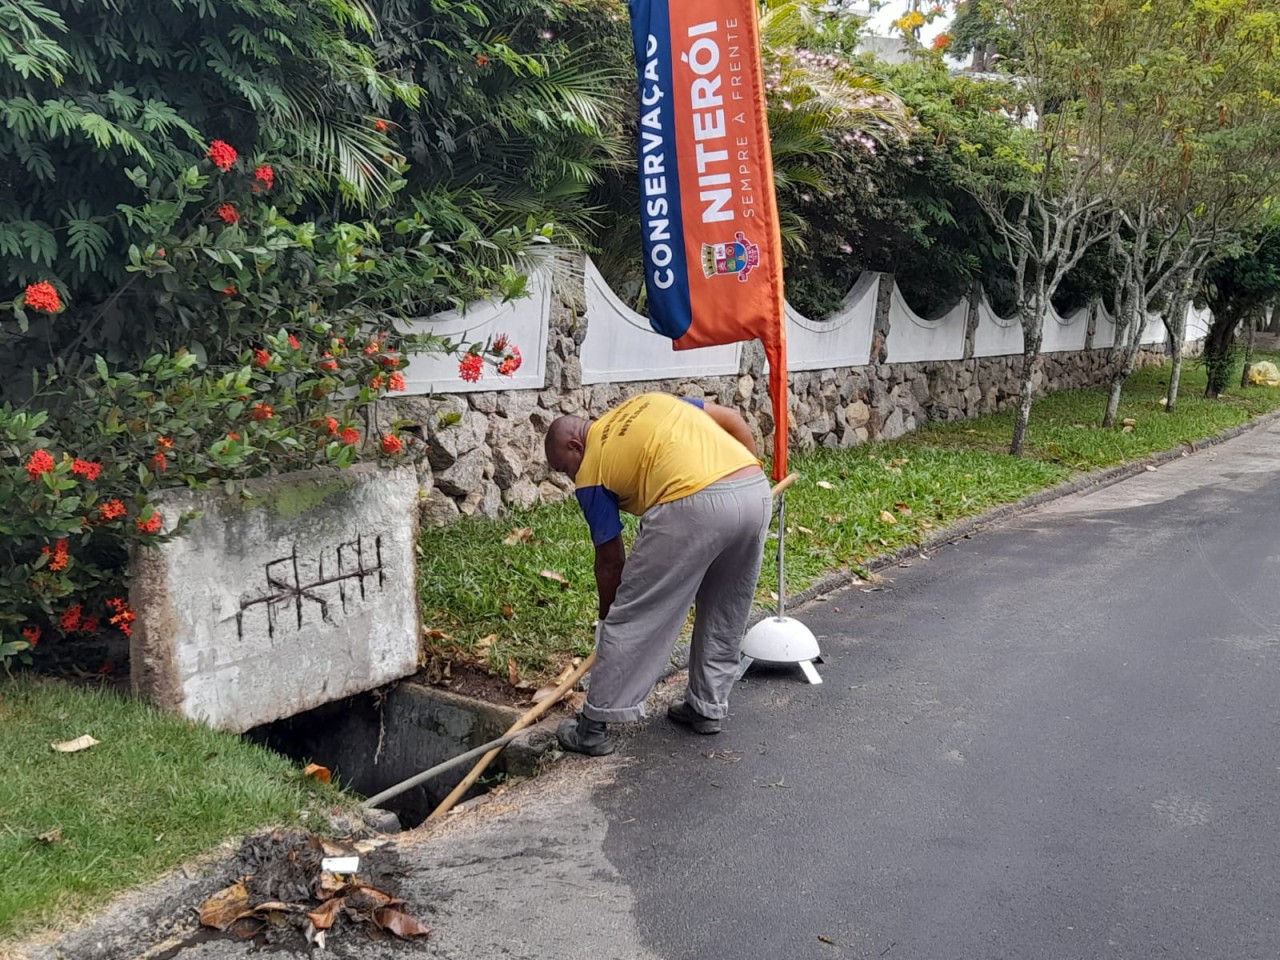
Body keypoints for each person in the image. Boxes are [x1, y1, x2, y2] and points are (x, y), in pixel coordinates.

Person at [543, 392, 772, 756]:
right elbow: (730, 417)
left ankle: (593, 727)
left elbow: (611, 562)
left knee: (638, 612)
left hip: (692, 503)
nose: (569, 477)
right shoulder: (649, 401)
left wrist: (609, 621)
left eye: (563, 467)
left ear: (575, 445)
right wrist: (748, 475)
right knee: (726, 607)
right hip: (753, 490)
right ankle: (706, 708)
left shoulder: (592, 471)